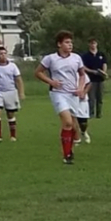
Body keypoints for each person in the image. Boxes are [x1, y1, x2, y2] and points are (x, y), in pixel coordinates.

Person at [34, 30, 87, 165]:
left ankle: (70, 150)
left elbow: (81, 75)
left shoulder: (76, 58)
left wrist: (80, 88)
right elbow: (38, 72)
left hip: (72, 94)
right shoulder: (50, 58)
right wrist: (51, 82)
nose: (70, 45)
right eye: (67, 42)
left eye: (71, 42)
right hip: (58, 94)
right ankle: (67, 155)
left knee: (72, 125)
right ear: (59, 44)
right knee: (68, 122)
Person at [0, 46, 24, 143]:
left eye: (4, 53)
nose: (3, 55)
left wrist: (21, 92)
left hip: (11, 92)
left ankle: (13, 136)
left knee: (10, 114)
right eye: (1, 54)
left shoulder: (12, 66)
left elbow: (18, 80)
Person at [81, 38, 107, 118]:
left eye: (94, 43)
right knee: (91, 98)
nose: (93, 45)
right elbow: (83, 67)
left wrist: (103, 72)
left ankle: (99, 114)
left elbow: (104, 64)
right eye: (91, 43)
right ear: (89, 44)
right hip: (90, 79)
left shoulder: (101, 54)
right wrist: (92, 71)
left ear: (97, 44)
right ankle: (91, 113)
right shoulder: (85, 56)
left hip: (100, 79)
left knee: (100, 98)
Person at [74, 75, 92, 145]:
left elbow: (88, 83)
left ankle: (83, 132)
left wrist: (84, 93)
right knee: (72, 120)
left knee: (83, 123)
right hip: (70, 99)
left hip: (81, 101)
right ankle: (76, 138)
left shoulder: (80, 72)